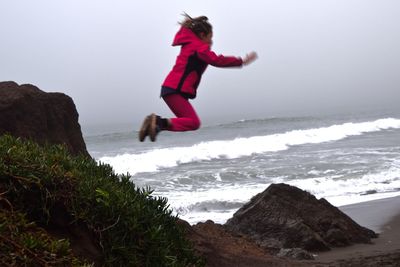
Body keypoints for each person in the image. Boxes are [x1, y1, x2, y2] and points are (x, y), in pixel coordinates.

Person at [139, 14, 257, 142]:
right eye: (210, 37)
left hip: (171, 89)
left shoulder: (190, 45)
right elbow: (216, 60)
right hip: (175, 89)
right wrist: (241, 61)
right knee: (193, 122)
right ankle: (157, 123)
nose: (211, 41)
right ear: (202, 35)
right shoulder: (198, 48)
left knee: (190, 121)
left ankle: (152, 126)